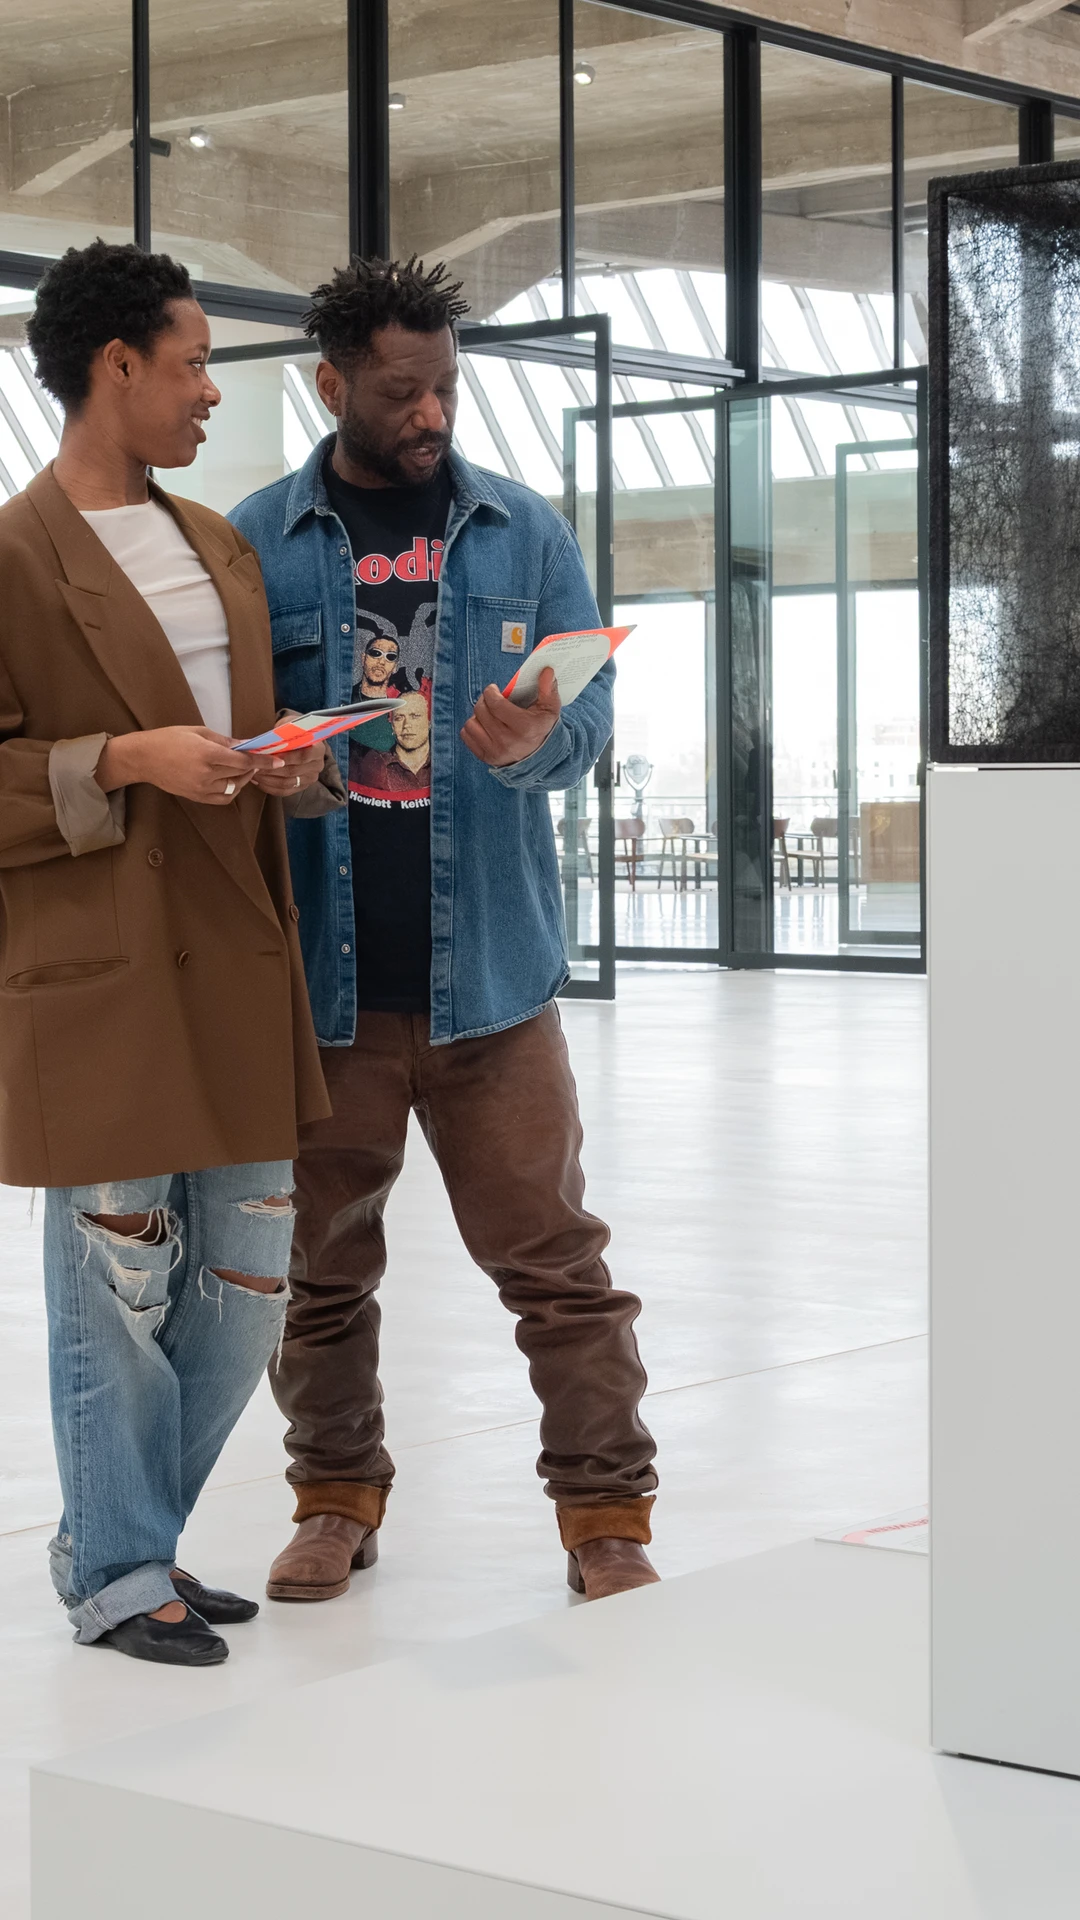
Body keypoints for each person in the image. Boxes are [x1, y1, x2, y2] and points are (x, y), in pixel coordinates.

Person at [232, 257, 658, 1606]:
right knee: (317, 1276)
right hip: (329, 995)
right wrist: (276, 773)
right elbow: (242, 742)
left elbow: (584, 721)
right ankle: (334, 1498)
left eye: (446, 390)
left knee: (560, 1270)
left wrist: (539, 740)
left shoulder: (523, 531)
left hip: (494, 989)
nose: (430, 416)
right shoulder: (255, 541)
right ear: (332, 385)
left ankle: (606, 1514)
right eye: (402, 392)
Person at [9, 240, 330, 1665]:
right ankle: (125, 1566)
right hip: (108, 967)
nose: (211, 390)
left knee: (250, 1273)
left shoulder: (221, 545)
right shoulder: (11, 558)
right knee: (118, 1273)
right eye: (192, 361)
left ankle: (117, 1539)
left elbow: (247, 733)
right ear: (114, 365)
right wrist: (126, 757)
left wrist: (286, 767)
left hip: (237, 941)